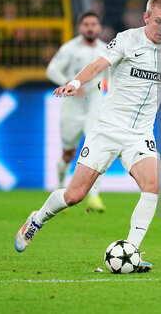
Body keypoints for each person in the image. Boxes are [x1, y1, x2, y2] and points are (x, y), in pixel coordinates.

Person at [14, 0, 161, 271]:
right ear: (146, 18)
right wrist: (75, 81)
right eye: (158, 22)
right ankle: (37, 219)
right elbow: (97, 65)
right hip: (107, 129)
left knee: (151, 188)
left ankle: (132, 252)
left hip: (140, 133)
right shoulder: (127, 39)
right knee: (75, 195)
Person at [46, 11, 107, 212]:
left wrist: (109, 90)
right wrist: (68, 84)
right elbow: (51, 70)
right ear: (80, 27)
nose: (90, 27)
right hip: (73, 106)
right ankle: (60, 186)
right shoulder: (70, 49)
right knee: (68, 152)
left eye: (94, 24)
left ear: (99, 27)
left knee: (96, 149)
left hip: (95, 106)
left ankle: (95, 196)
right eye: (86, 24)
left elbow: (113, 76)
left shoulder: (106, 49)